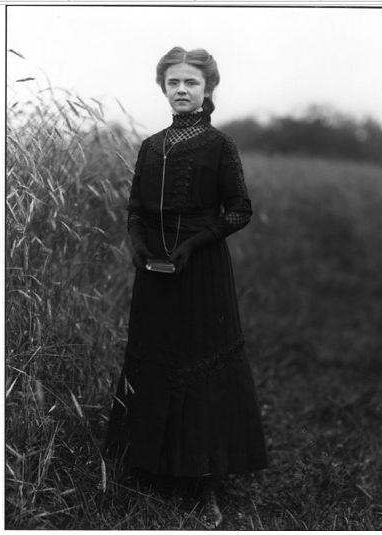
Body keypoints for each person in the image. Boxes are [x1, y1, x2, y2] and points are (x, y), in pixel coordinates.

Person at [105, 46, 268, 528]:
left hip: (200, 265)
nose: (181, 90)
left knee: (200, 358)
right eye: (173, 82)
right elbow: (135, 205)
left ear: (207, 89)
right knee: (154, 352)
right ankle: (150, 466)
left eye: (191, 83)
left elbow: (240, 209)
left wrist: (195, 244)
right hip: (153, 265)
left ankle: (204, 483)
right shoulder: (151, 145)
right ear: (163, 88)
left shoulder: (221, 146)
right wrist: (136, 241)